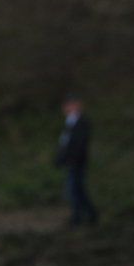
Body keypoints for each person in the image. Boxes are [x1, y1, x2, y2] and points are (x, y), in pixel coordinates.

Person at [55, 95, 98, 226]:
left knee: (74, 189)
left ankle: (79, 217)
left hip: (77, 161)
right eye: (66, 105)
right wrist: (60, 158)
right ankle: (89, 214)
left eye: (70, 104)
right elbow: (65, 143)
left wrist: (71, 158)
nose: (67, 108)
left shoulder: (82, 122)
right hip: (72, 161)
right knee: (77, 189)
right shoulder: (69, 122)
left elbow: (79, 144)